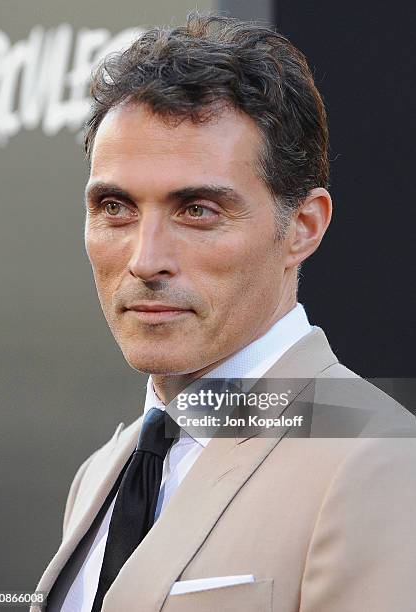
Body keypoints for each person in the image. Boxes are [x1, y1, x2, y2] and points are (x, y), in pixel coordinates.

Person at [33, 12, 416, 612]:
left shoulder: (382, 460)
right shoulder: (103, 473)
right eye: (115, 206)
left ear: (302, 228)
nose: (145, 260)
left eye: (199, 210)